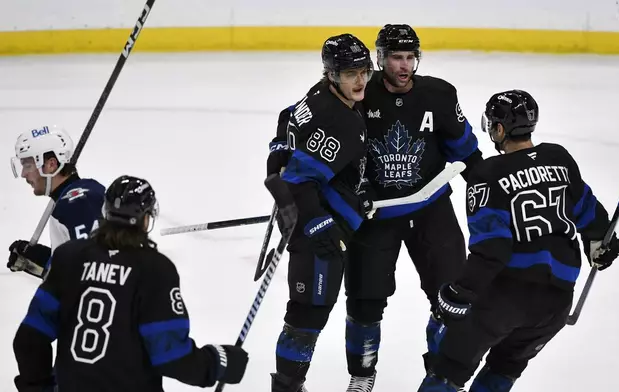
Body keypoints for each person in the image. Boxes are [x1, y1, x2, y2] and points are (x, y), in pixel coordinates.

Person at [417, 90, 619, 392]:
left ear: (499, 129)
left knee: (449, 368)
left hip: (505, 297)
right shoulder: (560, 158)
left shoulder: (487, 174)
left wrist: (461, 292)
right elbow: (592, 217)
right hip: (556, 303)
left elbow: (492, 249)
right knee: (506, 366)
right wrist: (602, 244)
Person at [342, 24, 483, 391]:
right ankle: (362, 374)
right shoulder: (357, 91)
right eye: (395, 58)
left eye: (409, 58)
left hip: (430, 209)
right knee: (365, 301)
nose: (404, 66)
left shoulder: (438, 94)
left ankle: (440, 373)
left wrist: (494, 192)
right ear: (380, 59)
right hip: (376, 215)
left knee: (451, 297)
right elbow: (310, 118)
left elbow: (467, 152)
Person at [12, 175, 249, 392]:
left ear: (105, 212)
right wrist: (219, 361)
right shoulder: (154, 270)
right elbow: (172, 357)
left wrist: (39, 388)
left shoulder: (68, 258)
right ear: (146, 220)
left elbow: (29, 339)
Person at [269, 33, 374, 392]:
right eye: (350, 74)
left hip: (321, 214)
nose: (360, 81)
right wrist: (317, 222)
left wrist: (278, 154)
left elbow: (287, 119)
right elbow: (300, 181)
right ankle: (286, 387)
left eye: (364, 71)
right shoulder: (337, 120)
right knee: (307, 312)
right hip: (317, 225)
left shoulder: (321, 93)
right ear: (332, 74)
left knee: (310, 309)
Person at [7, 125, 104, 279]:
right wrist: (39, 259)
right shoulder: (84, 191)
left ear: (51, 165)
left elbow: (94, 271)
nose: (23, 174)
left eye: (27, 165)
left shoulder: (76, 204)